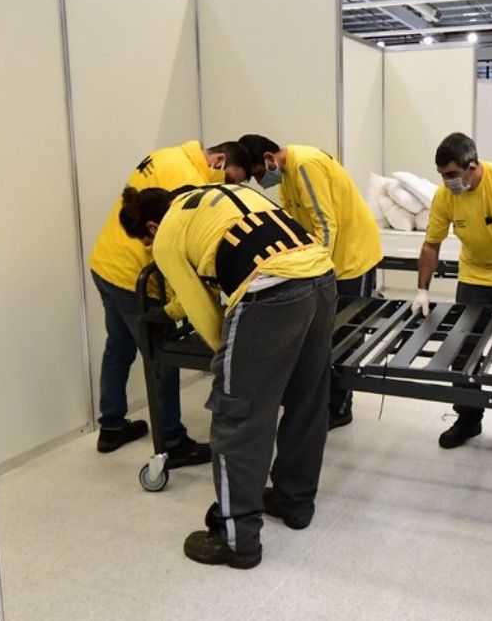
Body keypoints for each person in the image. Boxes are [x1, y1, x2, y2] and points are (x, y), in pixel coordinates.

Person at [119, 183, 336, 569]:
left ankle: (236, 539)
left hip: (269, 291)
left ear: (152, 225)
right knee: (307, 400)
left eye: (146, 242)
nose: (152, 249)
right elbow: (190, 290)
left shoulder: (167, 235)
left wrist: (234, 367)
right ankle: (294, 500)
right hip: (320, 277)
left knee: (238, 416)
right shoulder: (215, 195)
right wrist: (168, 314)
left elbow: (203, 311)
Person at [87, 139, 250, 462]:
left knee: (118, 347)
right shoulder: (186, 178)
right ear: (218, 161)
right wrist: (182, 303)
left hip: (105, 264)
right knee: (162, 355)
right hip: (135, 276)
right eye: (232, 180)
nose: (230, 188)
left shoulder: (171, 155)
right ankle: (172, 441)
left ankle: (112, 425)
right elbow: (175, 243)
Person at [238, 134, 382, 429]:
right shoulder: (288, 174)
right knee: (324, 335)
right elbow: (297, 224)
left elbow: (326, 225)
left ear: (268, 158)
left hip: (352, 259)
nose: (258, 181)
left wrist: (316, 273)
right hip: (332, 261)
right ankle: (324, 399)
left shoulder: (304, 165)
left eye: (257, 173)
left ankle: (340, 407)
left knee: (346, 334)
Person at [413, 132, 492, 462]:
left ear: (473, 167)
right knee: (463, 350)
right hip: (473, 276)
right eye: (442, 175)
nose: (447, 181)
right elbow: (431, 244)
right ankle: (469, 419)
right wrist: (422, 288)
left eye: (453, 175)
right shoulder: (446, 195)